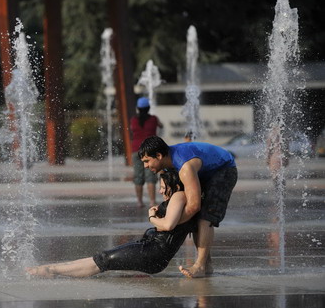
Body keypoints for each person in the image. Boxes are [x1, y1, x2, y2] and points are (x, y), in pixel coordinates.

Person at [25, 169, 196, 278]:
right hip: (149, 248)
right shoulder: (177, 199)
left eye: (163, 186)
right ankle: (52, 269)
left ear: (174, 185)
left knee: (104, 259)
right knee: (103, 257)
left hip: (153, 253)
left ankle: (51, 271)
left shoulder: (178, 196)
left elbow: (168, 226)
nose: (160, 190)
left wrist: (151, 217)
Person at [138, 136, 237, 278]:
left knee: (205, 216)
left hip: (224, 170)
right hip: (205, 171)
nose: (145, 166)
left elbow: (193, 206)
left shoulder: (184, 167)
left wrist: (168, 224)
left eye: (147, 161)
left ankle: (201, 265)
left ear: (159, 156)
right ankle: (206, 264)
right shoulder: (167, 164)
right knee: (196, 218)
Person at [130, 96, 164, 208]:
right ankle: (152, 201)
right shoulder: (154, 119)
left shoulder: (134, 120)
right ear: (148, 108)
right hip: (150, 150)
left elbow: (132, 130)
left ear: (138, 108)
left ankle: (139, 201)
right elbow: (161, 126)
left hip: (136, 150)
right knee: (150, 175)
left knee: (138, 176)